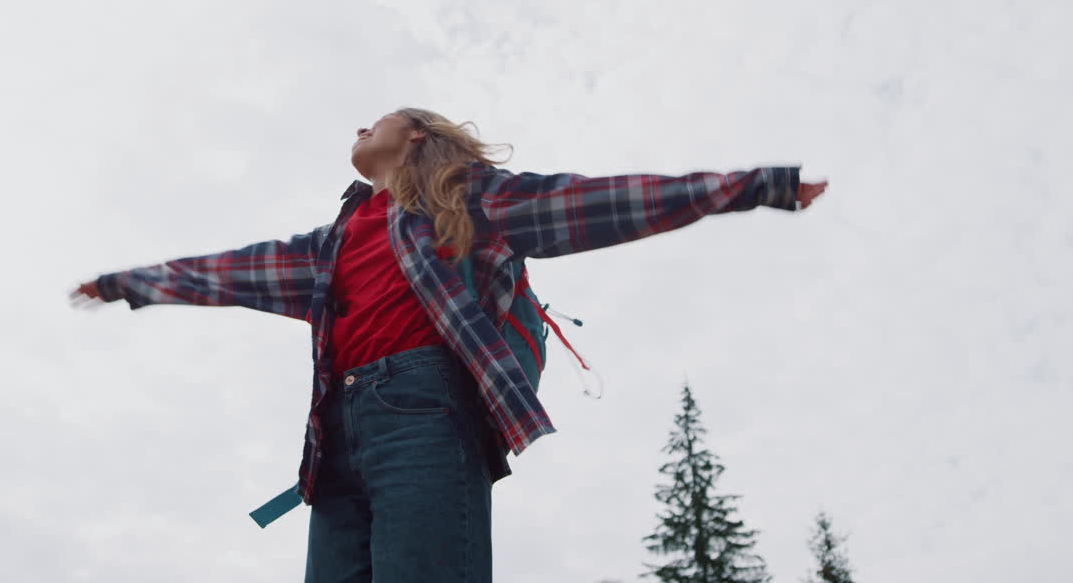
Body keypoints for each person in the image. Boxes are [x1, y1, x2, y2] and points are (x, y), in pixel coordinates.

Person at [70, 109, 828, 582]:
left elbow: (600, 202)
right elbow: (229, 271)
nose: (357, 127)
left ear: (418, 135)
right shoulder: (331, 245)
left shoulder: (468, 199)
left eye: (376, 119)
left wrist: (757, 185)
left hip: (425, 416)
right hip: (334, 444)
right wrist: (129, 282)